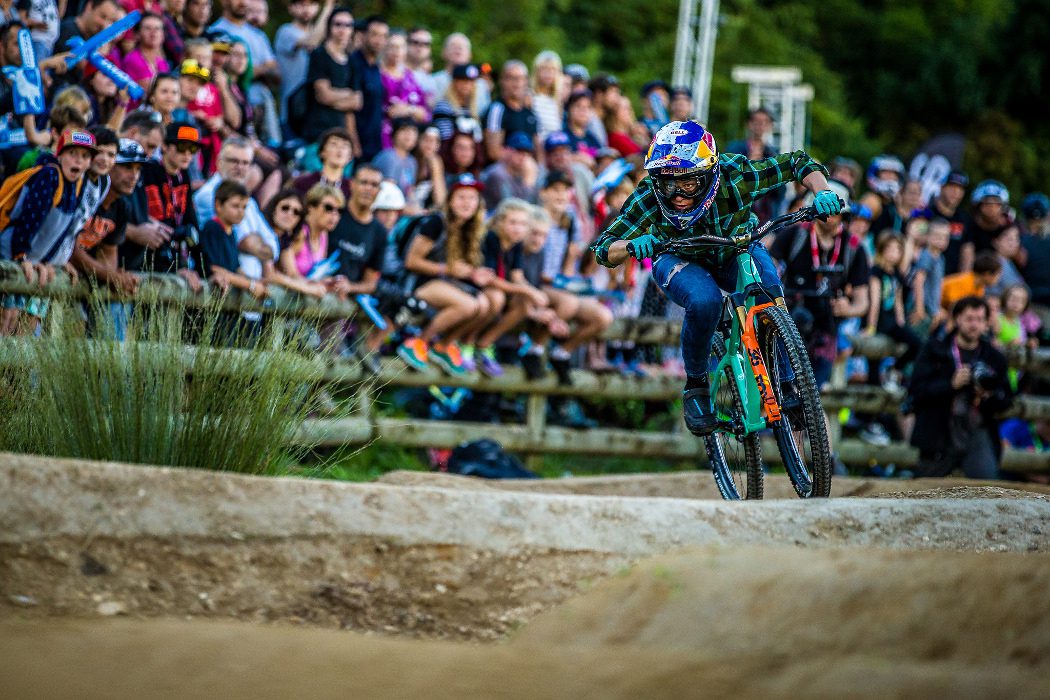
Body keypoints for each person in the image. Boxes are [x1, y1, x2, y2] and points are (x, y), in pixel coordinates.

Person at [591, 119, 843, 435]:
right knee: (704, 301)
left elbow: (797, 163)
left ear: (709, 174)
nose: (677, 194)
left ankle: (788, 384)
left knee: (768, 288)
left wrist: (822, 192)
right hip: (677, 257)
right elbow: (603, 248)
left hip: (735, 246)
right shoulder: (648, 196)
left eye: (688, 183)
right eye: (666, 183)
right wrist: (630, 245)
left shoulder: (735, 175)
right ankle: (696, 385)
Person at [768, 179, 870, 388]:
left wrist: (848, 309)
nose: (828, 216)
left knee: (812, 394)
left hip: (826, 331)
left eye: (833, 210)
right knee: (784, 388)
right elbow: (767, 270)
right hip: (790, 324)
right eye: (823, 209)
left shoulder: (854, 248)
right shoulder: (793, 236)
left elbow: (862, 302)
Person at [396, 173, 494, 375]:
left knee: (485, 305)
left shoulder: (470, 228)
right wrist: (447, 270)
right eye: (461, 197)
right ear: (450, 199)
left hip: (444, 284)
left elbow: (458, 270)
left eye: (472, 198)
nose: (467, 203)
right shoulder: (436, 223)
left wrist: (474, 274)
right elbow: (411, 261)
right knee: (469, 304)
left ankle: (444, 346)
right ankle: (419, 342)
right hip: (415, 284)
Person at [908, 295, 1013, 479]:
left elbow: (1007, 398)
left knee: (984, 490)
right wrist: (950, 385)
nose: (974, 325)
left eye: (980, 319)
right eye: (969, 319)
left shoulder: (994, 357)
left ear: (986, 323)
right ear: (957, 319)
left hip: (977, 429)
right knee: (925, 492)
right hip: (938, 430)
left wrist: (988, 395)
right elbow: (916, 390)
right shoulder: (935, 350)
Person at [470, 197, 551, 378]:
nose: (518, 228)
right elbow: (490, 279)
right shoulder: (491, 238)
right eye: (513, 222)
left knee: (524, 302)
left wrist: (535, 296)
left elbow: (517, 277)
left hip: (498, 291)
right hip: (477, 289)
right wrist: (528, 291)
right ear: (500, 222)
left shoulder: (516, 244)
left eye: (523, 224)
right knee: (498, 297)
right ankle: (467, 343)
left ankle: (483, 346)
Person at [118, 121, 202, 292]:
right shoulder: (149, 171)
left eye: (192, 150)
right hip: (145, 257)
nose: (187, 154)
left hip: (171, 256)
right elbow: (149, 221)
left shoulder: (184, 176)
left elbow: (190, 223)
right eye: (181, 148)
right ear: (164, 146)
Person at [72, 137, 146, 295]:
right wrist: (111, 276)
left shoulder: (122, 207)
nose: (134, 176)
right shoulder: (85, 194)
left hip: (79, 281)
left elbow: (108, 253)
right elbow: (69, 248)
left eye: (138, 169)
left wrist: (114, 277)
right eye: (127, 167)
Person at [193, 179, 267, 300]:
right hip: (209, 300)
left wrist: (254, 281)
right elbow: (214, 268)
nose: (240, 212)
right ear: (218, 205)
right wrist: (251, 285)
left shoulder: (232, 232)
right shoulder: (212, 228)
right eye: (235, 206)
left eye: (244, 207)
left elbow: (235, 268)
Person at [300, 6, 359, 144]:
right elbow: (323, 95)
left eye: (348, 25)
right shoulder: (319, 54)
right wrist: (348, 94)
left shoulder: (352, 60)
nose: (342, 29)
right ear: (329, 26)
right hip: (317, 132)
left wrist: (354, 140)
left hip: (342, 134)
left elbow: (357, 102)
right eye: (338, 24)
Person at [327, 163, 384, 297]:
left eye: (374, 185)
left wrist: (350, 287)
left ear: (379, 190)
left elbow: (371, 283)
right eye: (363, 182)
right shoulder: (334, 212)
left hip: (343, 302)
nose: (368, 189)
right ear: (352, 184)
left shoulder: (379, 232)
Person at [278, 183, 344, 290]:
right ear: (311, 207)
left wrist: (328, 282)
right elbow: (290, 274)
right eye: (328, 208)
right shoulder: (299, 232)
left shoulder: (323, 235)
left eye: (339, 210)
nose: (334, 215)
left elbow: (314, 273)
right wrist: (316, 285)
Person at [273, 0, 331, 117]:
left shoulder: (323, 35)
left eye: (311, 4)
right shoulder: (286, 31)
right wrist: (328, 8)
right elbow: (311, 42)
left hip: (315, 111)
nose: (306, 9)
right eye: (301, 4)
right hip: (292, 111)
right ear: (290, 8)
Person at [378, 28, 428, 149]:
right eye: (392, 46)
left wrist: (408, 109)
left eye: (401, 47)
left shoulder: (410, 77)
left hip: (408, 143)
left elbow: (425, 113)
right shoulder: (377, 74)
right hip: (380, 138)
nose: (397, 51)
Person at [483, 59, 538, 163]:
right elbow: (493, 152)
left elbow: (537, 150)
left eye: (521, 78)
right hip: (503, 168)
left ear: (526, 81)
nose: (517, 83)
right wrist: (522, 160)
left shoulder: (530, 113)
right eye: (511, 78)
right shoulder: (497, 109)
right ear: (502, 81)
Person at [348, 14, 387, 162]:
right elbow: (349, 108)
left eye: (383, 36)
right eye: (374, 35)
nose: (379, 40)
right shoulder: (353, 63)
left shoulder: (376, 67)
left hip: (375, 142)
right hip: (357, 144)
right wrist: (353, 141)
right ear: (362, 35)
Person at [916, 170, 969, 274]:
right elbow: (917, 238)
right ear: (942, 187)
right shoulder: (925, 213)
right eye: (952, 187)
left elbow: (967, 251)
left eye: (960, 189)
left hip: (951, 281)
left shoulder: (964, 218)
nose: (956, 192)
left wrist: (963, 280)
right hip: (925, 274)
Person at [908, 217, 950, 335]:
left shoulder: (940, 258)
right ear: (927, 237)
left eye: (945, 237)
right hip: (922, 306)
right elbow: (918, 281)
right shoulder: (927, 256)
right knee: (917, 340)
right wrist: (919, 308)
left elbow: (937, 285)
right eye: (937, 236)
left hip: (931, 309)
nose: (941, 240)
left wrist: (936, 309)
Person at [480, 131, 538, 211]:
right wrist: (529, 182)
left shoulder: (520, 173)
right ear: (506, 151)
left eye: (526, 153)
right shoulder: (497, 174)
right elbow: (513, 208)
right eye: (518, 152)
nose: (523, 157)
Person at [292, 127, 353, 201]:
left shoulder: (352, 189)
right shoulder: (303, 183)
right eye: (334, 144)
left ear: (350, 157)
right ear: (322, 152)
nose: (339, 149)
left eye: (345, 146)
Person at [963, 179, 1011, 264]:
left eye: (996, 204)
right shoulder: (968, 226)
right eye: (987, 203)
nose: (991, 208)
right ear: (978, 206)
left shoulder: (1008, 227)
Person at [431, 62, 481, 142]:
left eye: (471, 82)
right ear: (454, 83)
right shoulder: (444, 106)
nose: (467, 85)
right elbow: (445, 139)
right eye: (463, 81)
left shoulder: (471, 109)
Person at [372, 116, 418, 198]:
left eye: (413, 131)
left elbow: (410, 192)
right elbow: (388, 193)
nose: (409, 134)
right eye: (404, 129)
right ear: (394, 134)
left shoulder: (412, 161)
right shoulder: (389, 157)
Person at [530, 49, 563, 139]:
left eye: (552, 70)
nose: (548, 73)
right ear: (537, 71)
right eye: (544, 69)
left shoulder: (556, 100)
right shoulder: (530, 96)